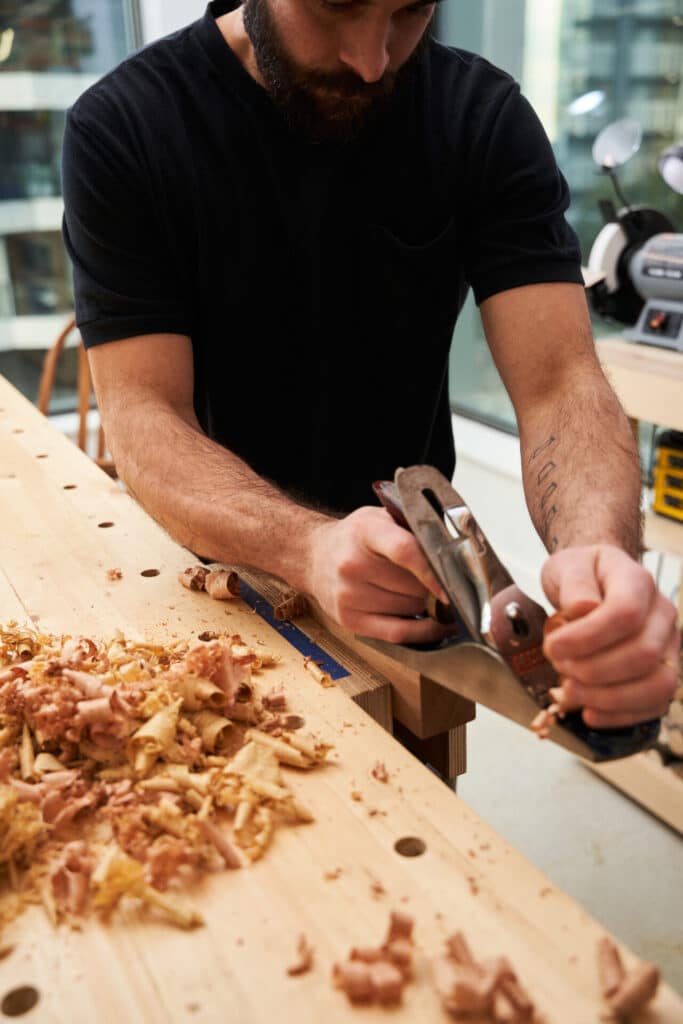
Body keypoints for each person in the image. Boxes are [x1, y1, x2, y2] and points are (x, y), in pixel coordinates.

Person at [61, 0, 679, 732]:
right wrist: (305, 546)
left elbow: (559, 383)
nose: (372, 60)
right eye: (336, 10)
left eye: (410, 12)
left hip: (416, 599)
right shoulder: (127, 125)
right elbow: (141, 414)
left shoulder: (477, 116)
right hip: (215, 585)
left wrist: (598, 558)